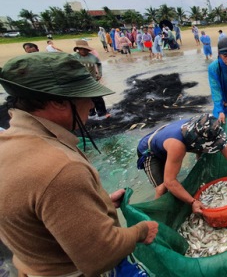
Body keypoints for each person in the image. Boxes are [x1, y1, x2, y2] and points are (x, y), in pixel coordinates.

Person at [0, 53, 158, 276]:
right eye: (86, 95)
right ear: (58, 101)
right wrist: (141, 230)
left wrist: (97, 202)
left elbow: (37, 211)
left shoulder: (7, 143)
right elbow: (100, 257)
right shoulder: (61, 168)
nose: (93, 103)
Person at [136, 113, 227, 210]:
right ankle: (156, 219)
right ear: (197, 140)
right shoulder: (178, 147)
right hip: (150, 151)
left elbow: (222, 145)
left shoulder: (202, 125)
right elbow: (170, 182)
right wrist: (192, 201)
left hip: (168, 140)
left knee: (201, 153)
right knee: (162, 188)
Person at [73, 40, 108, 117]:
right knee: (86, 99)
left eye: (85, 49)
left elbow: (99, 64)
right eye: (81, 49)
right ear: (77, 49)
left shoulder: (92, 57)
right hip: (80, 82)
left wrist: (99, 74)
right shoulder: (73, 57)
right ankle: (90, 114)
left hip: (92, 80)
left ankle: (102, 113)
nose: (83, 51)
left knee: (97, 97)